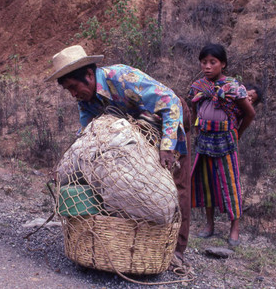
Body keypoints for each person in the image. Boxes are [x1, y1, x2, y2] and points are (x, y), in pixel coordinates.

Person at [46, 44, 190, 265]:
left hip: (167, 118)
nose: (74, 94)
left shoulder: (122, 77)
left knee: (174, 183)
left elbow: (169, 102)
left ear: (88, 74)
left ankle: (176, 251)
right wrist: (67, 165)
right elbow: (86, 133)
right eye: (69, 91)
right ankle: (132, 247)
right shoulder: (85, 100)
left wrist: (167, 147)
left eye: (75, 87)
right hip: (136, 131)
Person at [189, 43, 255, 247]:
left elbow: (250, 113)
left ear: (223, 64)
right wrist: (196, 128)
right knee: (206, 182)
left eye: (212, 62)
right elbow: (194, 107)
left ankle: (234, 228)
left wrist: (237, 134)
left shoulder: (234, 88)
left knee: (230, 182)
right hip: (205, 139)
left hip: (226, 140)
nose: (207, 66)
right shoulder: (198, 87)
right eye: (204, 62)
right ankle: (209, 225)